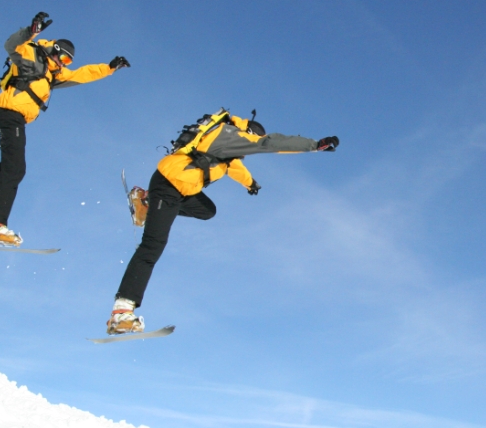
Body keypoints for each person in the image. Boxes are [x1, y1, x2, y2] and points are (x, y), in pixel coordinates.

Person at [107, 111, 339, 334]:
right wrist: (314, 145)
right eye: (252, 139)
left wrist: (250, 183)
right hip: (169, 184)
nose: (248, 149)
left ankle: (146, 201)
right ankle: (122, 311)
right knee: (153, 245)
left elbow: (235, 168)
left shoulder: (226, 146)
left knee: (207, 210)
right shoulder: (229, 135)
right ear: (248, 132)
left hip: (181, 188)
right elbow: (270, 143)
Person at [0, 12, 130, 246]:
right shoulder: (32, 55)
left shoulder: (53, 74)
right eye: (61, 56)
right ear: (53, 49)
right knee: (15, 169)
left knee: (11, 168)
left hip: (15, 118)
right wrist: (32, 30)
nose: (63, 62)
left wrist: (109, 68)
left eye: (67, 61)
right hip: (9, 112)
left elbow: (81, 75)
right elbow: (11, 45)